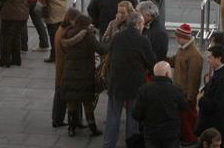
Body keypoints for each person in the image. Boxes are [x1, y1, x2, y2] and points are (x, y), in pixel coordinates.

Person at [104, 12, 155, 148]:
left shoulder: (117, 37)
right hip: (135, 85)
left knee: (113, 117)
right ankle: (131, 144)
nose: (143, 26)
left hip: (116, 83)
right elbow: (151, 62)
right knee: (133, 119)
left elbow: (111, 53)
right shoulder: (143, 40)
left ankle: (108, 145)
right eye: (143, 23)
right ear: (138, 24)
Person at [60, 14, 106, 137]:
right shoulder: (88, 36)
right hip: (84, 73)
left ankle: (71, 128)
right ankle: (93, 128)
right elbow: (100, 49)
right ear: (85, 25)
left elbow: (63, 48)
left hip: (69, 71)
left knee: (71, 102)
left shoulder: (68, 32)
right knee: (87, 102)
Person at [132, 61, 188, 148]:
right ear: (167, 74)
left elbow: (136, 114)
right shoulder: (176, 90)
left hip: (151, 133)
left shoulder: (144, 90)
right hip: (171, 134)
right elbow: (184, 107)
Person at [168, 23, 204, 146]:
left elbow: (194, 79)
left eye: (178, 36)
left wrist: (190, 97)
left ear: (184, 37)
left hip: (186, 94)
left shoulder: (194, 55)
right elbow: (175, 60)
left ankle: (190, 138)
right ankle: (185, 136)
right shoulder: (182, 49)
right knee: (183, 118)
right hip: (179, 91)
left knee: (188, 118)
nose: (176, 38)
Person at [197, 45, 224, 148]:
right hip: (215, 124)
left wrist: (201, 100)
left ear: (218, 58)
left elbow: (218, 105)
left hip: (216, 126)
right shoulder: (221, 73)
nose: (208, 60)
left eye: (210, 57)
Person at [52, 7, 80, 129]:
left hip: (61, 67)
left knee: (59, 93)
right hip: (67, 68)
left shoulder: (61, 29)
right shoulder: (67, 32)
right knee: (66, 95)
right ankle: (63, 120)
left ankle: (57, 119)